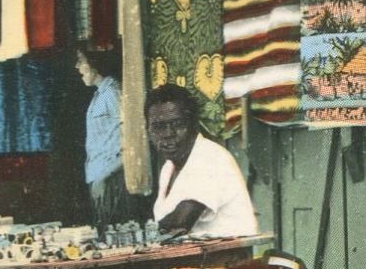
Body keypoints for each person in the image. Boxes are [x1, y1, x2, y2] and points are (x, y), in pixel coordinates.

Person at [145, 84, 258, 238]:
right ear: (148, 131)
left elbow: (178, 224)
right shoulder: (168, 168)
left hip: (228, 258)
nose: (168, 134)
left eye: (177, 124)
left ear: (194, 124)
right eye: (158, 127)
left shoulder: (210, 158)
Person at [75, 47, 140, 232]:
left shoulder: (113, 93)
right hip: (99, 177)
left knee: (117, 234)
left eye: (81, 60)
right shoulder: (100, 95)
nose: (77, 66)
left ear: (95, 63)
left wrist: (104, 176)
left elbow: (132, 140)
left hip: (112, 178)